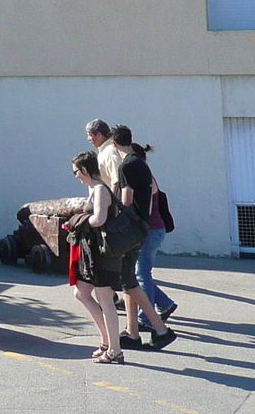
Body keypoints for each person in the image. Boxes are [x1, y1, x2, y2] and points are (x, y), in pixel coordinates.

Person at [109, 126, 177, 351]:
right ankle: (135, 329)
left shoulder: (126, 166)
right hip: (145, 227)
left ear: (114, 144)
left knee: (135, 277)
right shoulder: (142, 165)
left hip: (134, 229)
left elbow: (127, 200)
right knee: (131, 277)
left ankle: (151, 325)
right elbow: (147, 202)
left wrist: (114, 214)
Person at [66, 151, 124, 364]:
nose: (75, 176)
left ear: (83, 170)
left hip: (102, 253)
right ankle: (107, 341)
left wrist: (77, 221)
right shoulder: (94, 188)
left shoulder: (100, 189)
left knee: (106, 300)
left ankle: (115, 351)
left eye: (76, 172)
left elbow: (99, 219)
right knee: (81, 293)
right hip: (91, 252)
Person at [86, 119, 122, 192]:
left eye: (90, 135)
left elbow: (116, 181)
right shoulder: (105, 151)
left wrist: (113, 201)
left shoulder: (110, 152)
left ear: (99, 135)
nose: (88, 139)